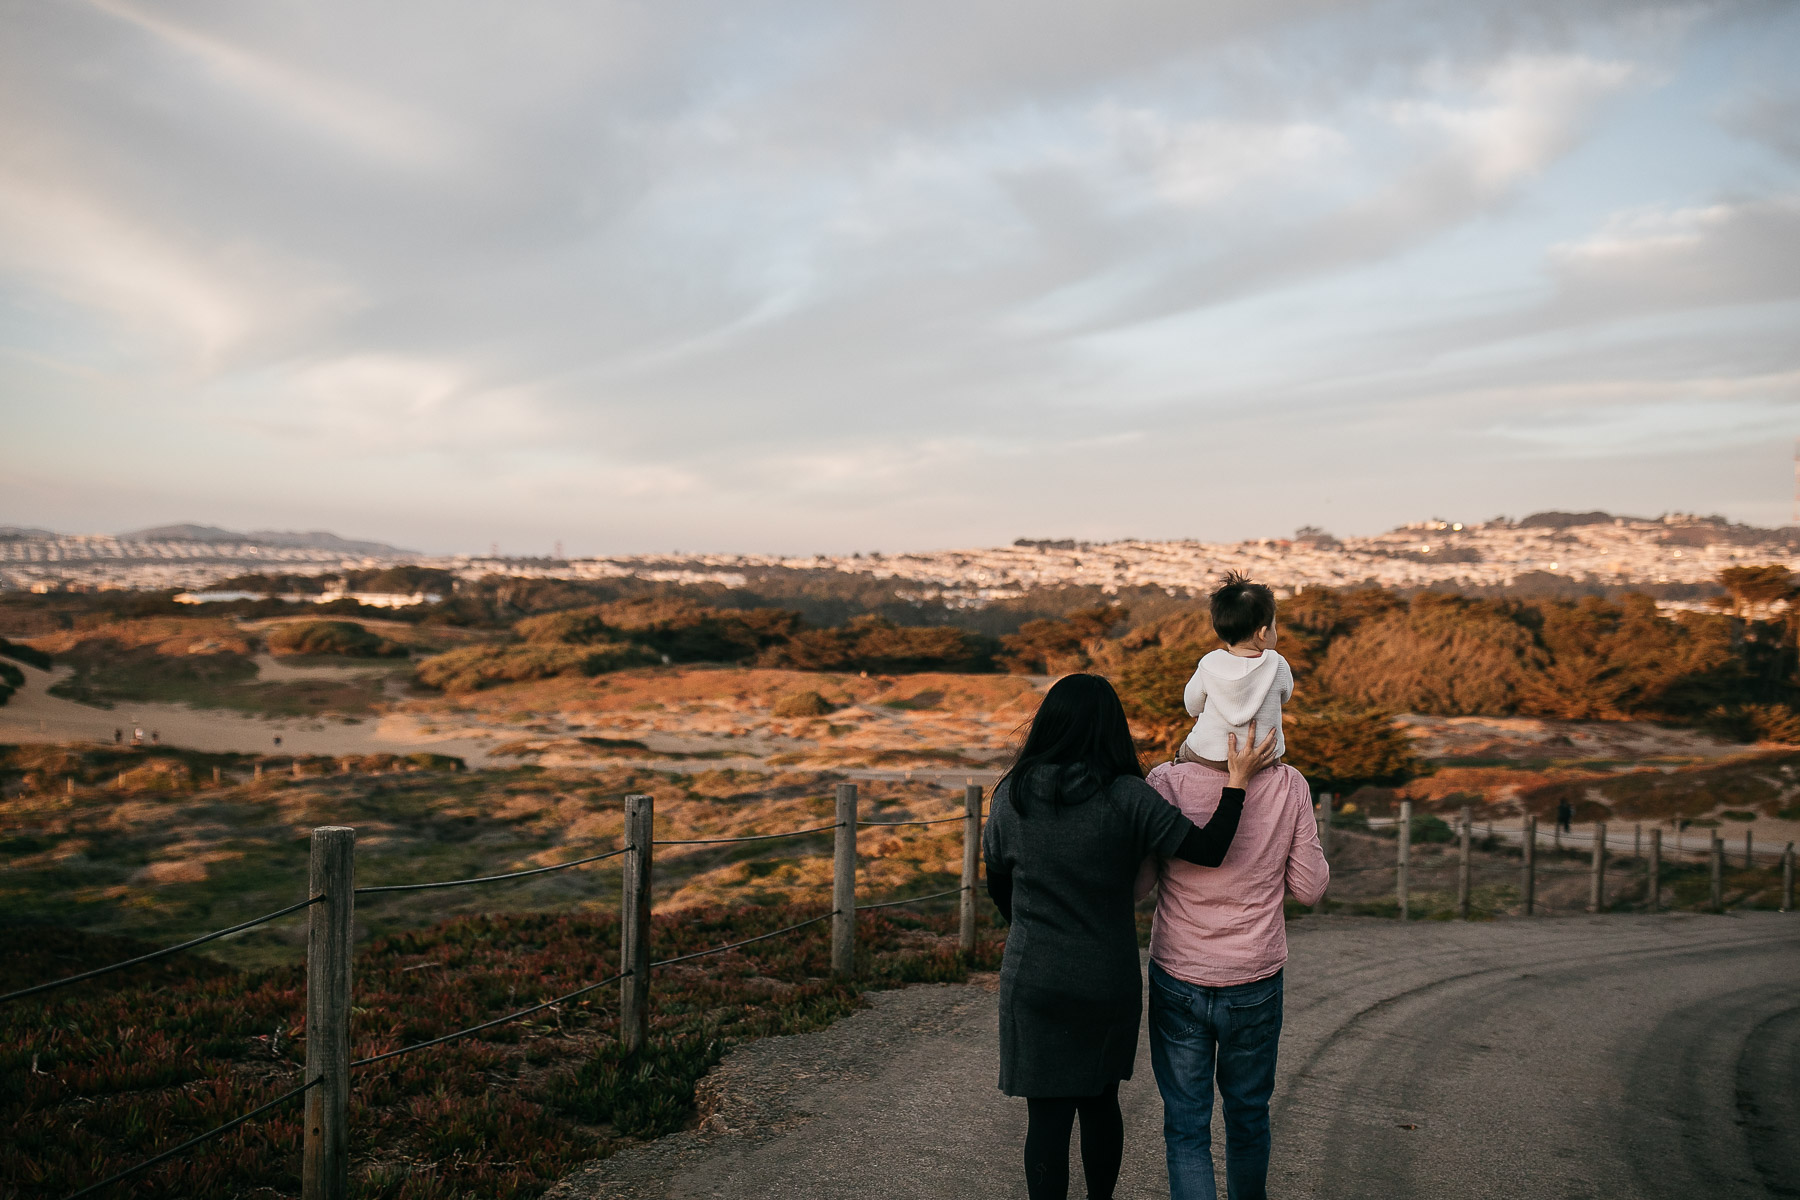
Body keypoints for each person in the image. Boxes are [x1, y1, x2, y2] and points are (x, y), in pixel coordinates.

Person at [983, 673, 1279, 1200]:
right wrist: (1236, 782)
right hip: (1106, 977)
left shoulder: (1013, 795)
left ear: (1048, 723)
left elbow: (998, 887)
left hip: (1035, 977)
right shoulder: (1127, 797)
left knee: (1045, 1119)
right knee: (1100, 1106)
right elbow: (1209, 850)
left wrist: (1036, 934)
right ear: (1112, 729)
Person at [1136, 754, 1328, 1199]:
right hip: (1254, 978)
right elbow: (1311, 889)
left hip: (1179, 972)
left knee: (1186, 1126)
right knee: (1248, 1118)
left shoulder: (1165, 780)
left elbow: (1139, 885)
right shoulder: (1289, 783)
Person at [1179, 573, 1293, 767]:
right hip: (1264, 757)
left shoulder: (1209, 663)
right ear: (1263, 633)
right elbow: (1285, 696)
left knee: (1183, 751)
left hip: (1209, 754)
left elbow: (1192, 704)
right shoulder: (1278, 663)